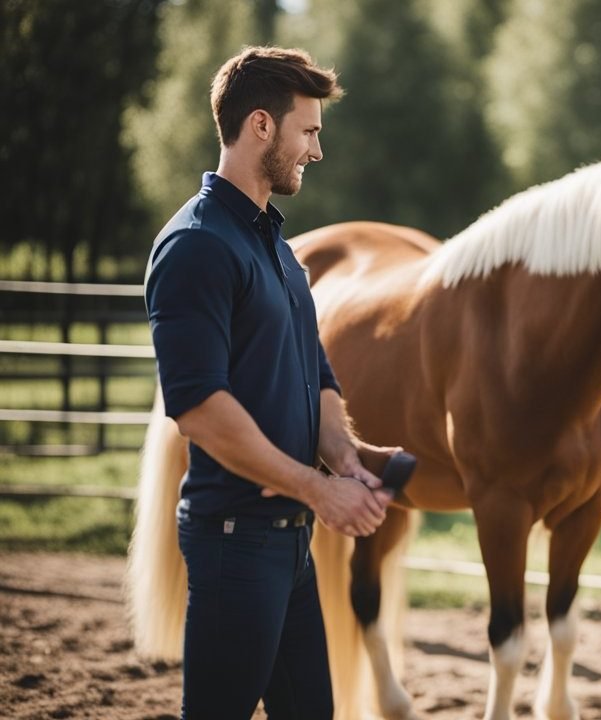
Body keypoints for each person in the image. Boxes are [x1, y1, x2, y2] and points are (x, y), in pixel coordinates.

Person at [144, 46, 395, 719]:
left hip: (287, 541)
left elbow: (315, 373)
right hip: (232, 543)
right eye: (308, 131)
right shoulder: (196, 246)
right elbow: (198, 409)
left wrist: (345, 459)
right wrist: (319, 488)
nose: (316, 150)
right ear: (261, 125)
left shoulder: (277, 249)